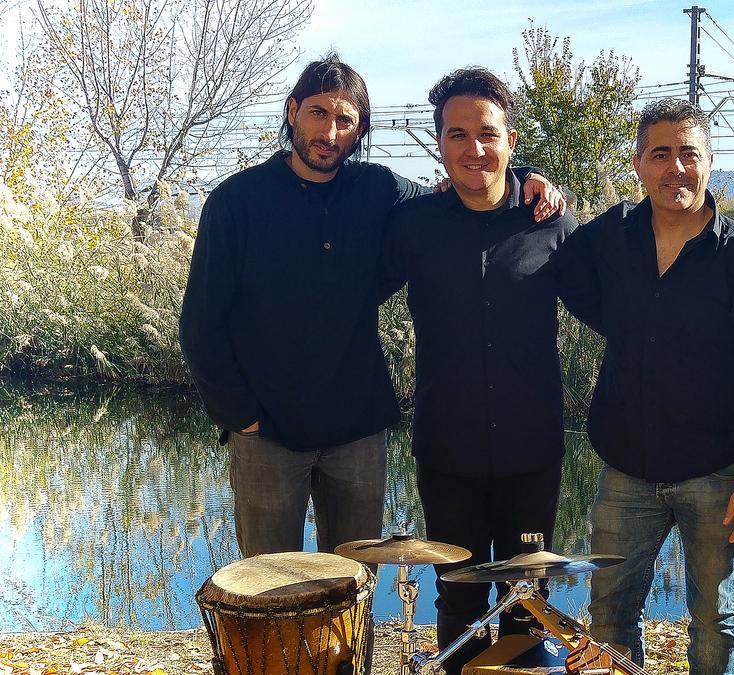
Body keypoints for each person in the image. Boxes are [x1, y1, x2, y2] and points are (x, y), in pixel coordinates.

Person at [179, 54, 561, 558]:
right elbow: (200, 323)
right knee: (269, 590)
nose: (330, 133)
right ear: (292, 111)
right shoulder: (236, 202)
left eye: (345, 121)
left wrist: (529, 176)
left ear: (360, 130)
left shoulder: (379, 189)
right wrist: (241, 417)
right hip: (266, 431)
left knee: (357, 585)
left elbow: (469, 189)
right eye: (318, 113)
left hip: (357, 430)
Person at [378, 67, 595, 675]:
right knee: (461, 594)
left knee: (528, 596)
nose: (475, 148)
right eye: (457, 135)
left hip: (532, 448)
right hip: (447, 450)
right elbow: (348, 291)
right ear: (440, 143)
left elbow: (609, 307)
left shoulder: (548, 220)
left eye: (488, 133)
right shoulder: (414, 224)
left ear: (511, 138)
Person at [577, 98, 734, 675]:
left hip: (717, 473)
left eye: (688, 153)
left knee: (715, 623)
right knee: (608, 618)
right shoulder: (609, 237)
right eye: (661, 153)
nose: (676, 168)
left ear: (709, 162)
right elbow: (563, 267)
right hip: (625, 468)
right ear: (640, 164)